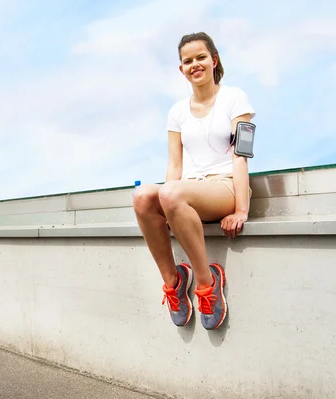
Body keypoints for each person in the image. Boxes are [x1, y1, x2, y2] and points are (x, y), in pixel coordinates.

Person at [132, 32, 255, 330]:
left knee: (172, 192)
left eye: (201, 57)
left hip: (223, 186)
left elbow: (241, 157)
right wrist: (166, 202)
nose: (194, 64)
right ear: (181, 69)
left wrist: (241, 210)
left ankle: (206, 282)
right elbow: (174, 165)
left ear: (214, 60)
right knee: (142, 197)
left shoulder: (236, 99)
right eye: (187, 61)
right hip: (189, 188)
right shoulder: (176, 112)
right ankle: (174, 281)